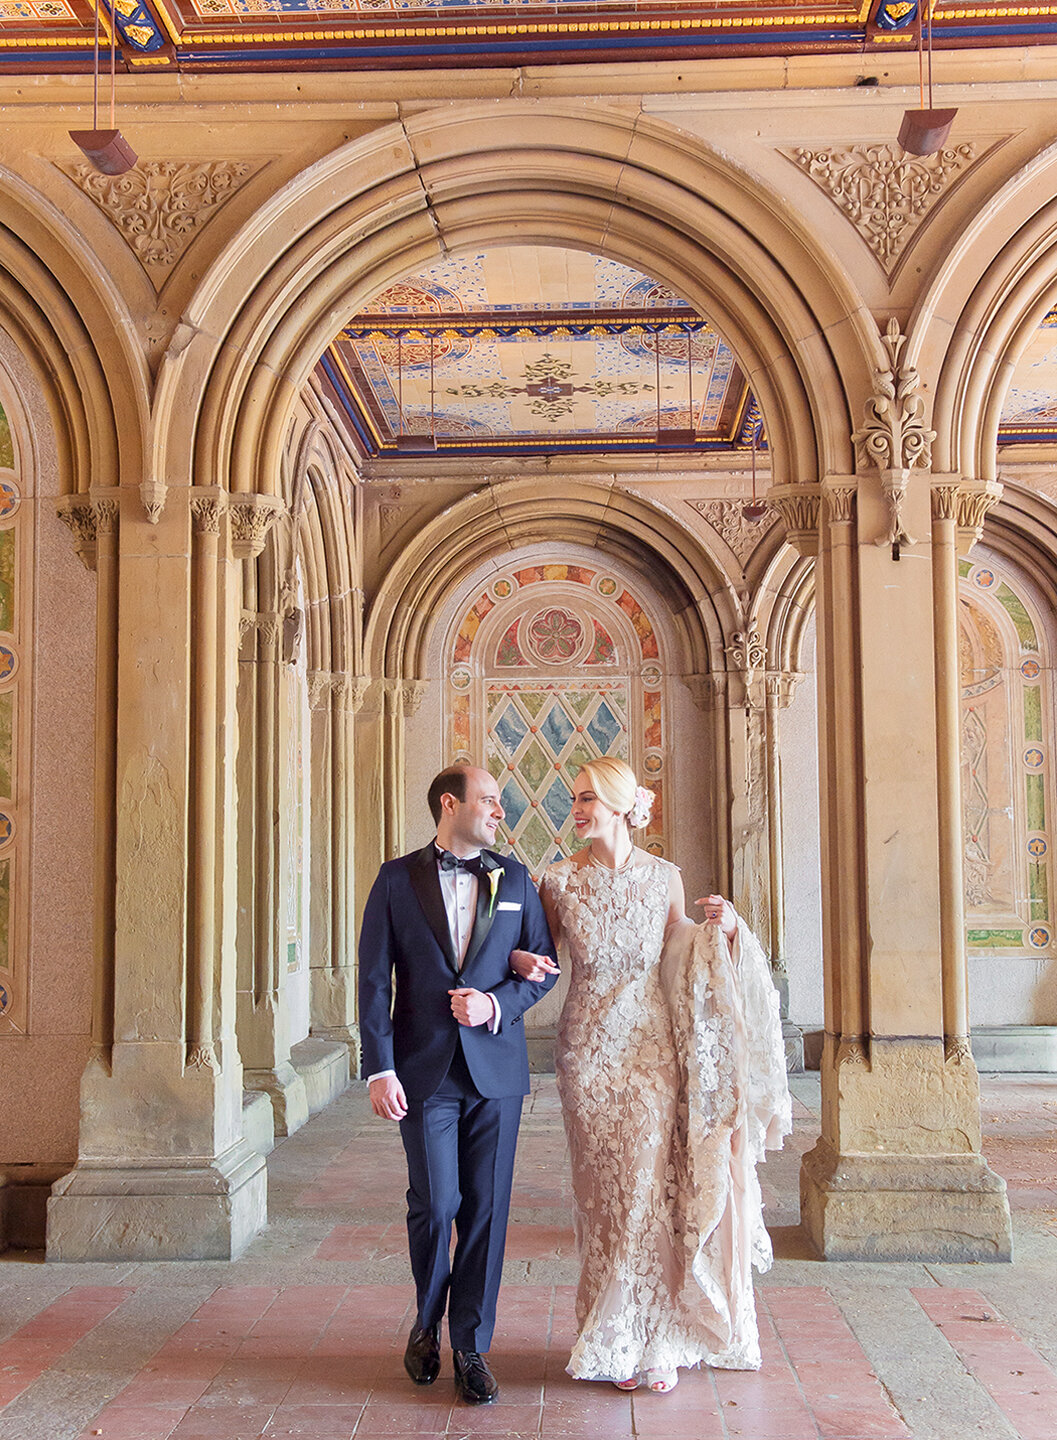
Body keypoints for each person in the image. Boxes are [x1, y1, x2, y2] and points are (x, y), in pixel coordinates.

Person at [512, 757, 791, 1393]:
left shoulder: (664, 876)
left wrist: (725, 929)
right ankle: (608, 1331)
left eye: (588, 798)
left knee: (647, 1189)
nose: (577, 808)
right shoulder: (554, 881)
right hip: (585, 1053)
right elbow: (545, 956)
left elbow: (683, 947)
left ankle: (655, 1337)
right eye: (574, 798)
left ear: (618, 805)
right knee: (601, 1195)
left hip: (650, 1049)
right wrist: (525, 958)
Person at [358, 764, 558, 1406]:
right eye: (490, 800)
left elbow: (543, 969)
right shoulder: (395, 879)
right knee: (438, 1204)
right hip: (423, 1072)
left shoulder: (517, 878)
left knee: (486, 1212)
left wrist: (497, 1003)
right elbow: (374, 981)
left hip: (495, 1073)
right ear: (451, 803)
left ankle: (470, 1345)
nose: (500, 811)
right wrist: (380, 1066)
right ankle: (426, 1321)